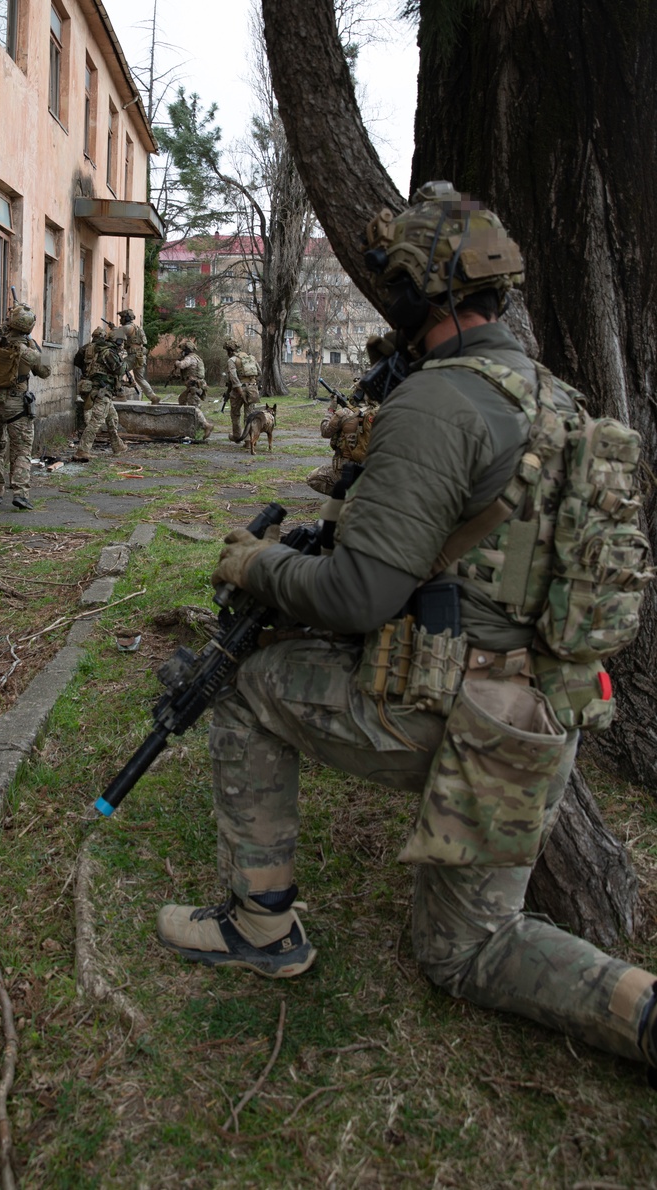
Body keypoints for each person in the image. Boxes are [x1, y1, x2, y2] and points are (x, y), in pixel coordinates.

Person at [156, 181, 657, 1079]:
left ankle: (260, 922)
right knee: (468, 949)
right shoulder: (556, 400)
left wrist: (251, 564)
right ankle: (646, 1014)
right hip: (537, 720)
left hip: (454, 713)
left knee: (245, 684)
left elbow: (355, 596)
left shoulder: (436, 405)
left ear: (418, 289)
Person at [0, 302, 51, 511]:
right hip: (17, 404)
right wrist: (33, 344)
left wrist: (7, 323)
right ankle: (20, 492)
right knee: (21, 450)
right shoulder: (28, 350)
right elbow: (46, 370)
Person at [73, 326, 128, 461]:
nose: (123, 345)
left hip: (103, 390)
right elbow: (119, 370)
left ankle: (117, 445)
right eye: (122, 341)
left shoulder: (101, 349)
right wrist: (125, 360)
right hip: (101, 391)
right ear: (118, 341)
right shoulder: (108, 352)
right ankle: (83, 450)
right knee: (96, 421)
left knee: (112, 418)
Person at [171, 339, 214, 440]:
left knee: (194, 408)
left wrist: (177, 362)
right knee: (181, 400)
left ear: (186, 350)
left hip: (194, 387)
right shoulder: (197, 358)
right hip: (194, 386)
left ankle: (206, 425)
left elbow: (182, 365)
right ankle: (188, 426)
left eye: (182, 350)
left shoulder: (190, 358)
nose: (181, 352)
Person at [117, 308, 159, 404]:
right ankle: (153, 397)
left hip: (133, 356)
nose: (120, 320)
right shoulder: (137, 328)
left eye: (122, 317)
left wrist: (113, 328)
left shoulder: (127, 327)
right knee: (140, 379)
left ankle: (120, 394)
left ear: (127, 318)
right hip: (140, 356)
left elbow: (113, 335)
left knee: (117, 371)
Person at [224, 339, 261, 442]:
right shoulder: (251, 358)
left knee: (235, 414)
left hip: (238, 390)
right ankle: (249, 440)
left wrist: (240, 390)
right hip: (252, 388)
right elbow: (259, 372)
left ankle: (237, 436)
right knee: (250, 415)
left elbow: (233, 377)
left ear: (229, 350)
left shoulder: (232, 360)